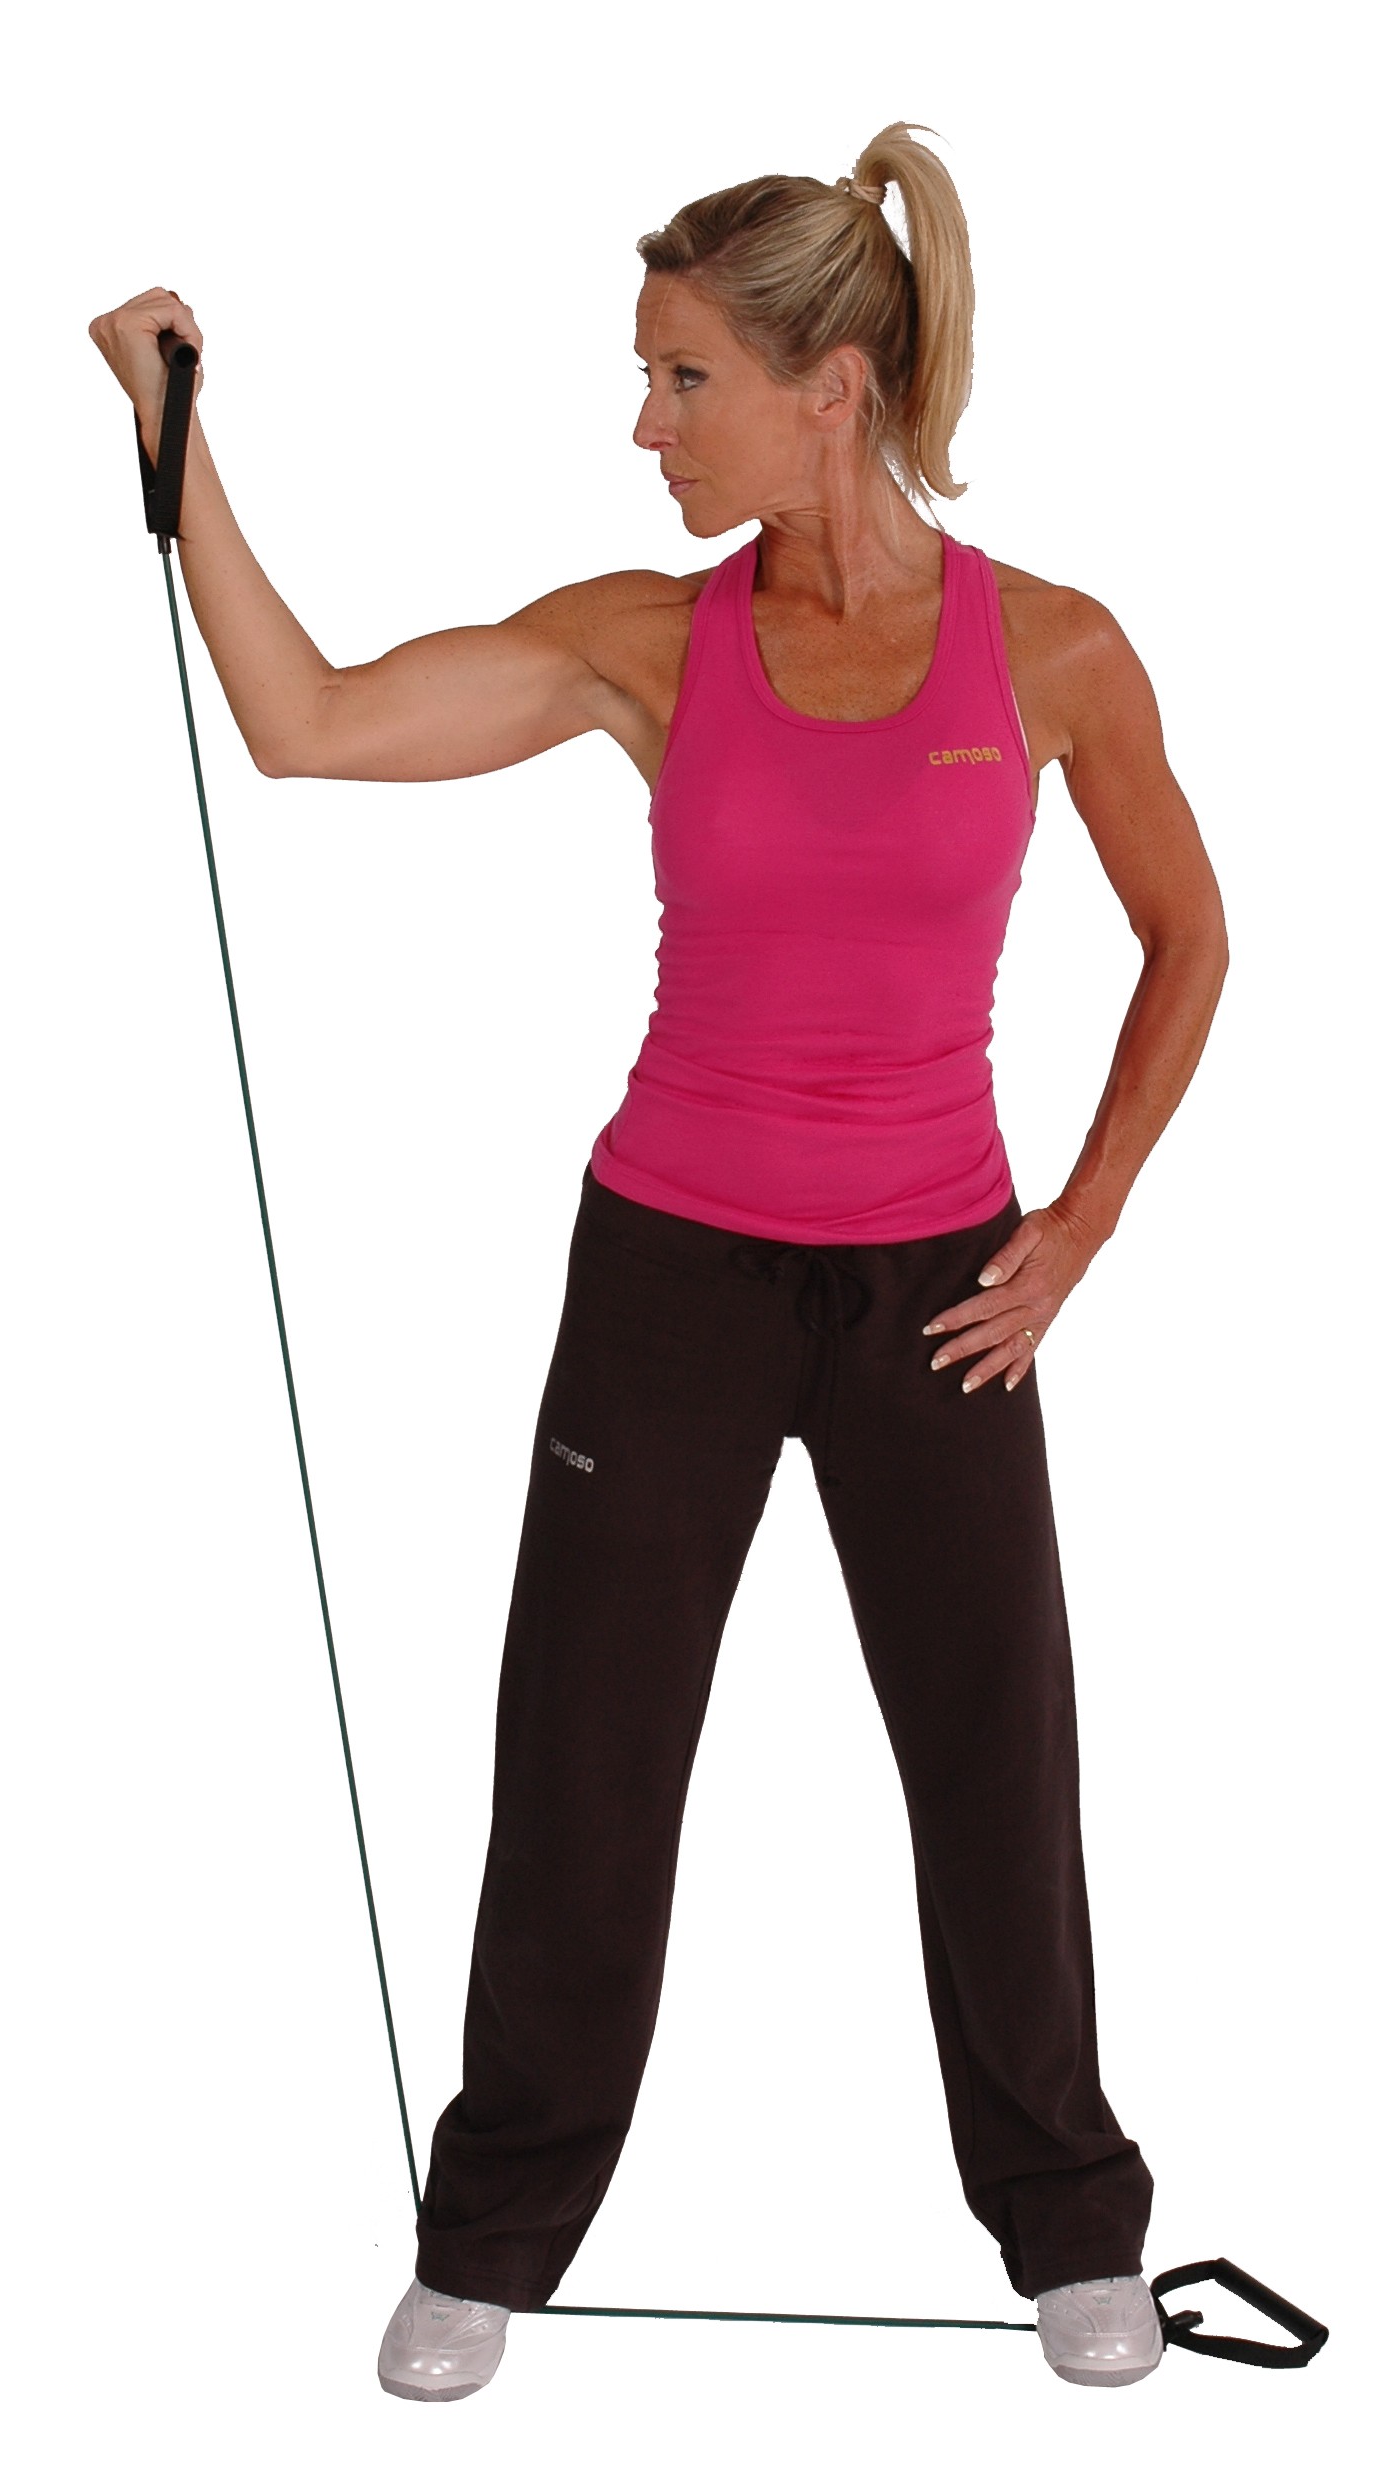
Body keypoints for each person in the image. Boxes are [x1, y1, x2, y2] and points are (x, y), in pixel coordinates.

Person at [90, 118, 1228, 2396]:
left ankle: (1072, 2230)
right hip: (672, 1276)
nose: (644, 424)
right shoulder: (645, 643)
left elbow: (1188, 934)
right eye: (647, 375)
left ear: (829, 386)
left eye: (681, 377)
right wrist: (172, 438)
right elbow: (308, 728)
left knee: (995, 1761)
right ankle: (491, 2239)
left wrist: (1080, 1225)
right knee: (587, 1761)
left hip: (940, 1289)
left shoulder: (1053, 649)